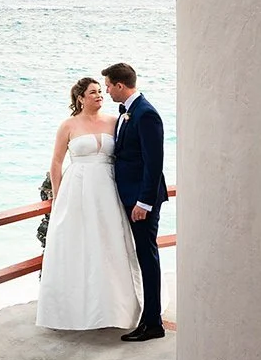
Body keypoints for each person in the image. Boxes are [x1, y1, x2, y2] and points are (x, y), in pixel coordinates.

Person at [36, 77, 141, 331]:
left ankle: (115, 310)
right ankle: (72, 312)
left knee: (110, 243)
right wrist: (58, 196)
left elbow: (126, 155)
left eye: (100, 92)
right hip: (77, 190)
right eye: (93, 92)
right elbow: (57, 162)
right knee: (76, 245)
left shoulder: (115, 121)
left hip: (108, 189)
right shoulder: (68, 125)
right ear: (80, 98)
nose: (99, 96)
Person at [103, 62, 169, 342]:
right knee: (142, 256)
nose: (106, 90)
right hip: (131, 197)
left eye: (107, 85)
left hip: (142, 201)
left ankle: (153, 323)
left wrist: (144, 202)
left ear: (120, 85)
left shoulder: (145, 114)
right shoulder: (127, 113)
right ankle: (148, 317)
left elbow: (154, 163)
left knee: (147, 257)